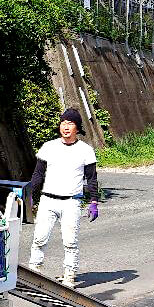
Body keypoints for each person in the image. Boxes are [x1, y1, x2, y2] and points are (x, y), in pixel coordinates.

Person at [27, 108, 100, 286]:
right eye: (63, 123)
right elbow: (38, 174)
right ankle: (34, 273)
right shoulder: (48, 147)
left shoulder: (86, 150)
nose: (66, 127)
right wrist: (29, 193)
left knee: (70, 241)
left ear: (77, 128)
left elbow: (91, 178)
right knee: (39, 238)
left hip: (71, 202)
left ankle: (69, 275)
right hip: (47, 200)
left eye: (70, 123)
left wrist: (94, 201)